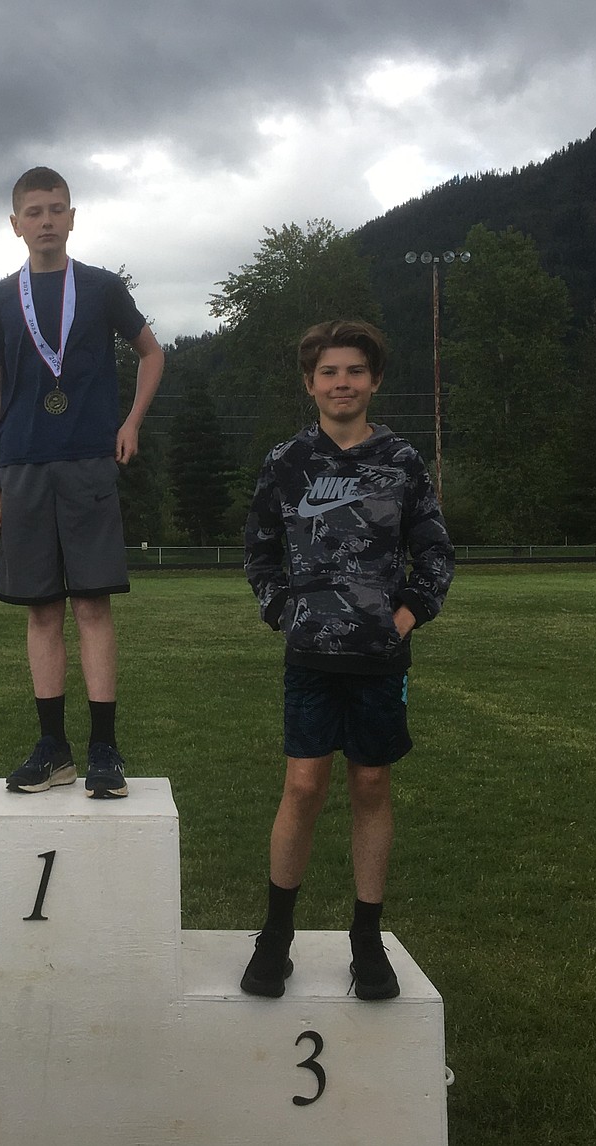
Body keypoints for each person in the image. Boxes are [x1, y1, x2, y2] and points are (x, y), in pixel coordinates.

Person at [240, 319, 453, 1000]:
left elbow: (437, 552)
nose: (342, 383)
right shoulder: (286, 464)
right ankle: (276, 937)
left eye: (354, 371)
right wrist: (283, 611)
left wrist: (406, 614)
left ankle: (368, 942)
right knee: (303, 787)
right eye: (329, 372)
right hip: (310, 655)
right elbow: (259, 552)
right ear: (310, 383)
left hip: (379, 658)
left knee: (370, 787)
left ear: (375, 379)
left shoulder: (402, 460)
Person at [0, 166, 164, 798]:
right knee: (40, 610)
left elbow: (153, 352)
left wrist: (131, 421)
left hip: (88, 462)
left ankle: (104, 749)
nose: (47, 220)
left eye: (57, 208)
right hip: (22, 466)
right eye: (34, 211)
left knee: (91, 605)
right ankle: (52, 749)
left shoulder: (104, 288)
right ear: (16, 224)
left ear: (74, 216)